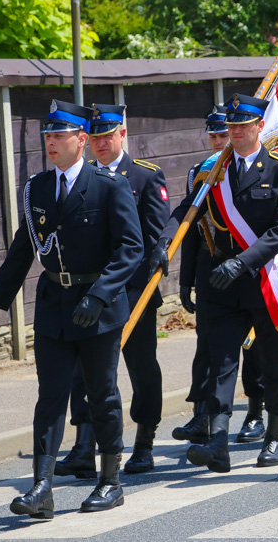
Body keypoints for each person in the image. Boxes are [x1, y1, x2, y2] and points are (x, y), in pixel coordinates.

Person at [0, 100, 144, 517]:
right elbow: (22, 250)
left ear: (81, 140)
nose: (51, 142)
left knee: (102, 394)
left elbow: (131, 248)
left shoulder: (108, 185)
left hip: (98, 309)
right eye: (47, 136)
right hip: (54, 306)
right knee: (50, 396)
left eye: (59, 135)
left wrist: (100, 294)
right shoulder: (38, 187)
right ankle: (41, 488)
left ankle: (110, 481)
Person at [150, 93, 278, 472]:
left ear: (259, 127)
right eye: (231, 126)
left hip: (264, 277)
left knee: (273, 361)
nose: (234, 132)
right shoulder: (213, 168)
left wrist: (242, 264)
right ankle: (218, 438)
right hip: (220, 280)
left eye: (242, 126)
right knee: (221, 360)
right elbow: (188, 210)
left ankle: (275, 436)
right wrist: (165, 240)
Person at [53, 104, 170, 480]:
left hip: (131, 290)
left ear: (123, 134)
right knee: (83, 374)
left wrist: (134, 280)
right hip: (87, 293)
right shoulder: (78, 178)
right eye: (96, 136)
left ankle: (145, 442)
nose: (102, 143)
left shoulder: (144, 177)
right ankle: (85, 446)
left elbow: (153, 239)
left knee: (140, 368)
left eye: (109, 134)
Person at [173, 106, 266, 445]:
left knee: (253, 346)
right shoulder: (201, 172)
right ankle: (202, 416)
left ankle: (256, 413)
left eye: (223, 134)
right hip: (211, 270)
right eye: (213, 134)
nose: (218, 140)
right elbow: (193, 229)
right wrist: (185, 279)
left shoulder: (253, 170)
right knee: (208, 348)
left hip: (250, 269)